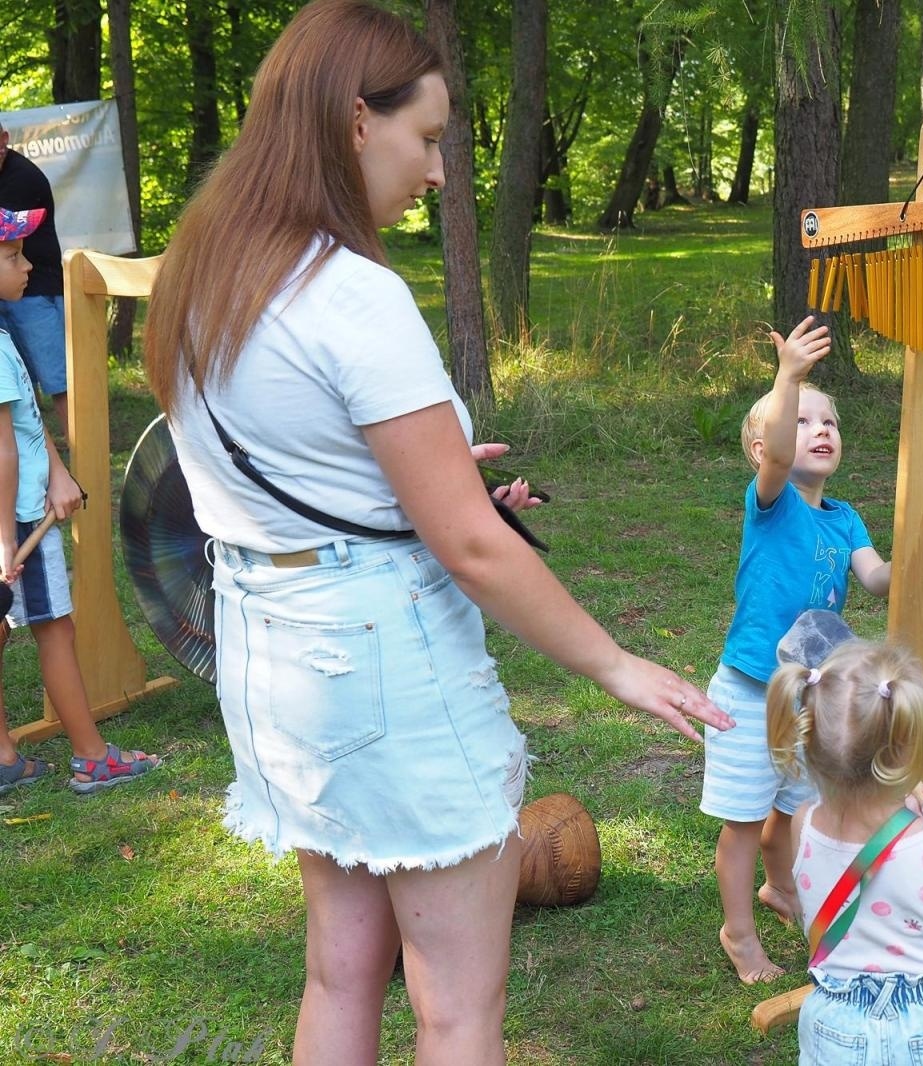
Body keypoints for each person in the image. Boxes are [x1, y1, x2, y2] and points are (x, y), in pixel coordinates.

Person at [141, 3, 730, 1064]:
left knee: (341, 968)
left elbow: (293, 477)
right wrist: (616, 664)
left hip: (272, 651)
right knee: (456, 1009)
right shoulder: (349, 293)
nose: (438, 172)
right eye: (427, 138)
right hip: (378, 662)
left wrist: (433, 495)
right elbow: (466, 546)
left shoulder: (203, 279)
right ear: (355, 122)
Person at [703, 316, 891, 984]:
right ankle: (739, 934)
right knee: (746, 825)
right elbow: (782, 457)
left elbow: (876, 578)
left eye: (830, 423)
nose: (819, 431)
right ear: (763, 447)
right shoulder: (773, 501)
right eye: (803, 421)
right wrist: (790, 377)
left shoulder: (844, 519)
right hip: (752, 692)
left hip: (808, 694)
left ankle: (782, 890)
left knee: (796, 810)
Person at [768, 641, 923, 1065]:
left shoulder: (804, 823)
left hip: (835, 1022)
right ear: (905, 749)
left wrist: (905, 808)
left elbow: (856, 849)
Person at [0, 207, 160, 797]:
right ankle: (93, 759)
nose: (28, 263)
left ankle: (4, 758)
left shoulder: (0, 333)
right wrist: (7, 538)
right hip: (18, 518)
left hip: (18, 509)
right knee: (55, 630)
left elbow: (20, 423)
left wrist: (60, 471)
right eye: (13, 256)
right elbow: (4, 454)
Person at [0, 123, 69, 434]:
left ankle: (86, 460)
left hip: (35, 294)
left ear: (4, 140)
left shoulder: (21, 178)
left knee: (61, 383)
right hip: (13, 295)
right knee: (19, 389)